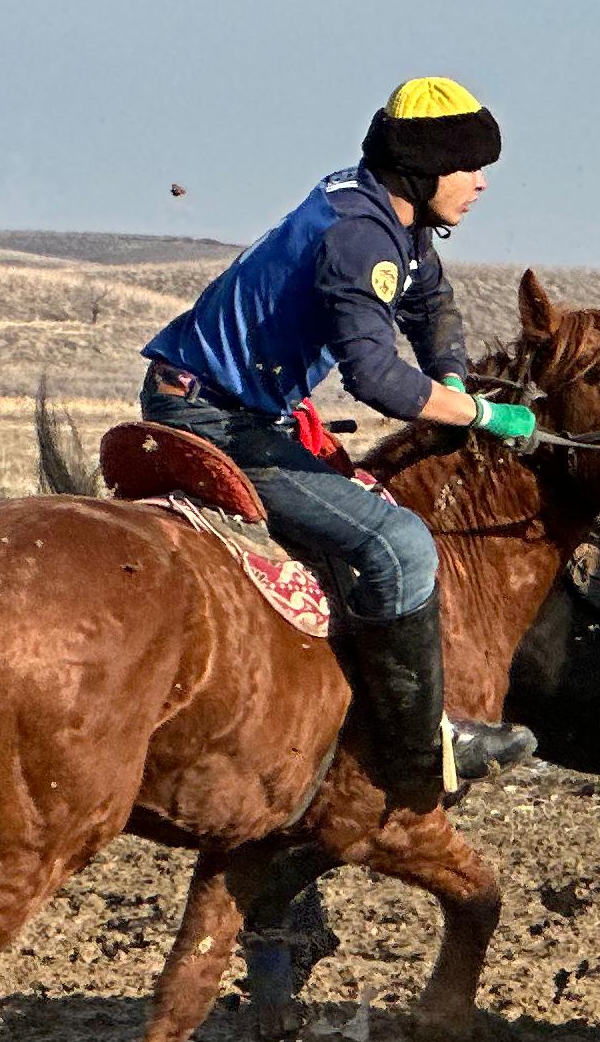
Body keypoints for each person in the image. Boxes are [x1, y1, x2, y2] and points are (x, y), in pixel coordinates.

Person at [137, 78, 541, 803]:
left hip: (231, 406)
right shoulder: (361, 240)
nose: (481, 183)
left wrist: (454, 383)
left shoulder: (390, 215)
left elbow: (431, 303)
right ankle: (420, 741)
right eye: (469, 167)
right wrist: (477, 417)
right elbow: (377, 378)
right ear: (422, 170)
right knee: (402, 543)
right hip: (219, 421)